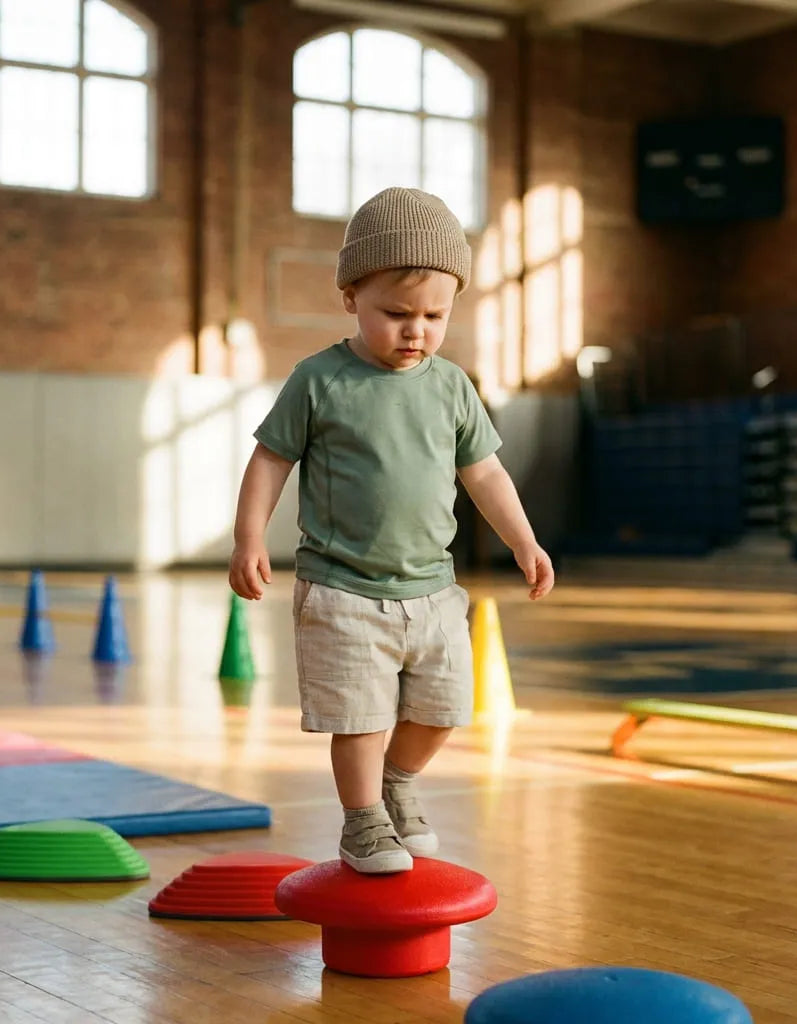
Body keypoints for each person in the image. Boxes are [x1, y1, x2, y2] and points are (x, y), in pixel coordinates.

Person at [229, 187, 554, 873]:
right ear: (351, 296)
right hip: (341, 589)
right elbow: (270, 459)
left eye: (435, 315)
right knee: (360, 719)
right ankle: (362, 822)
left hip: (433, 592)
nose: (416, 331)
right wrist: (249, 538)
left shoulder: (452, 387)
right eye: (396, 314)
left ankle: (397, 786)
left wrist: (523, 539)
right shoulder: (318, 381)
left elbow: (486, 474)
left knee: (442, 709)